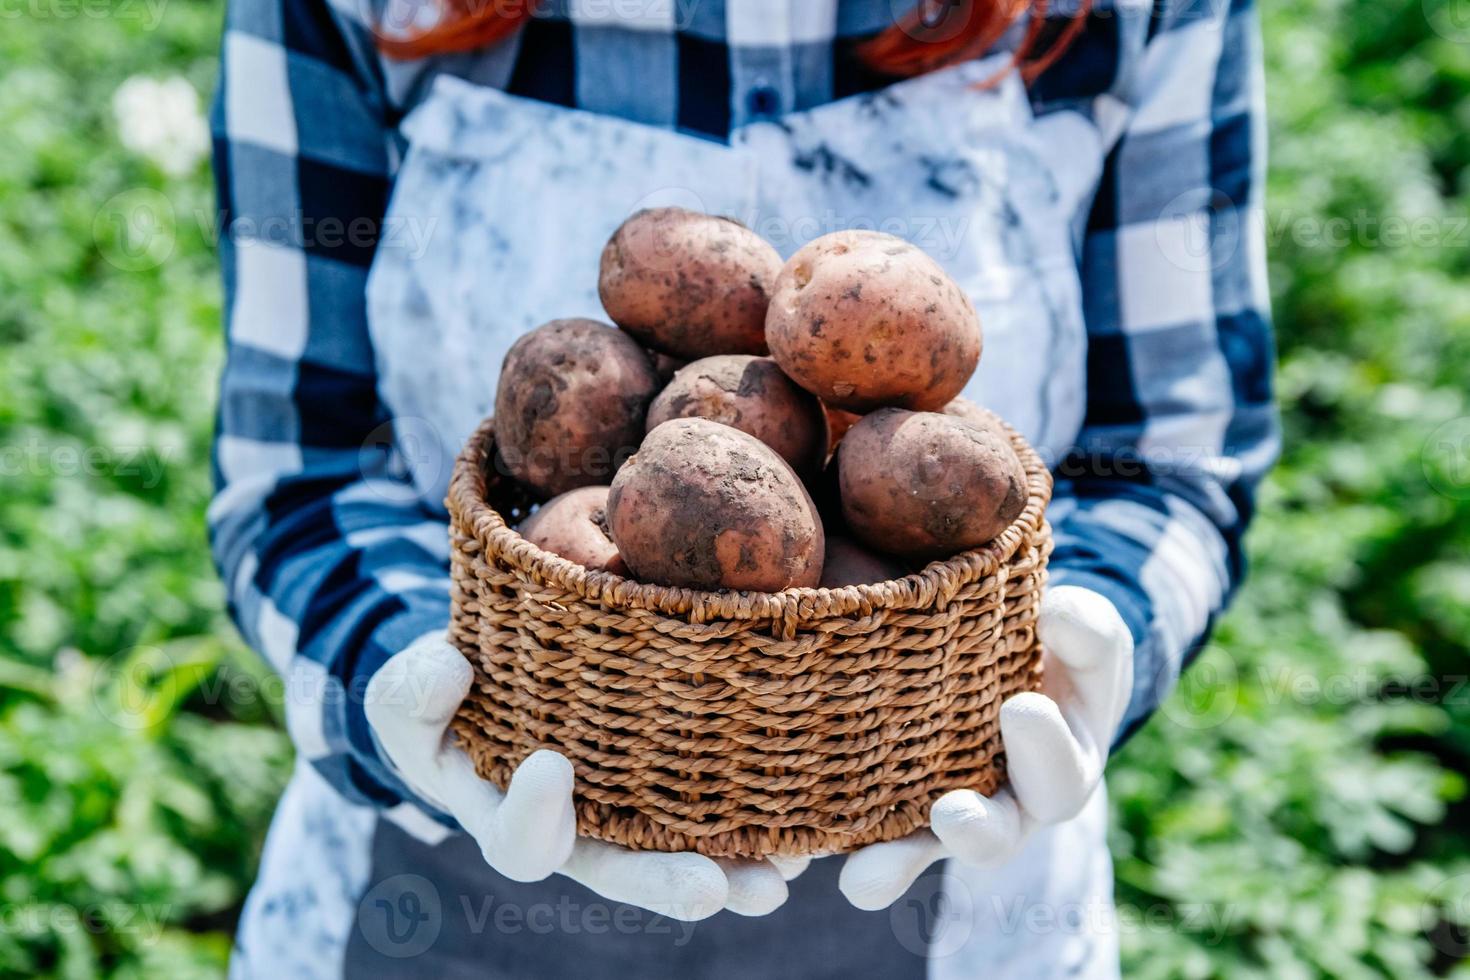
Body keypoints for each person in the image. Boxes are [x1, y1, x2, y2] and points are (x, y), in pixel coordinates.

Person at [208, 0, 1277, 975]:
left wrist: (1085, 639)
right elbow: (302, 468)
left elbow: (1172, 451)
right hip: (439, 900)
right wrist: (422, 703)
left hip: (946, 875)